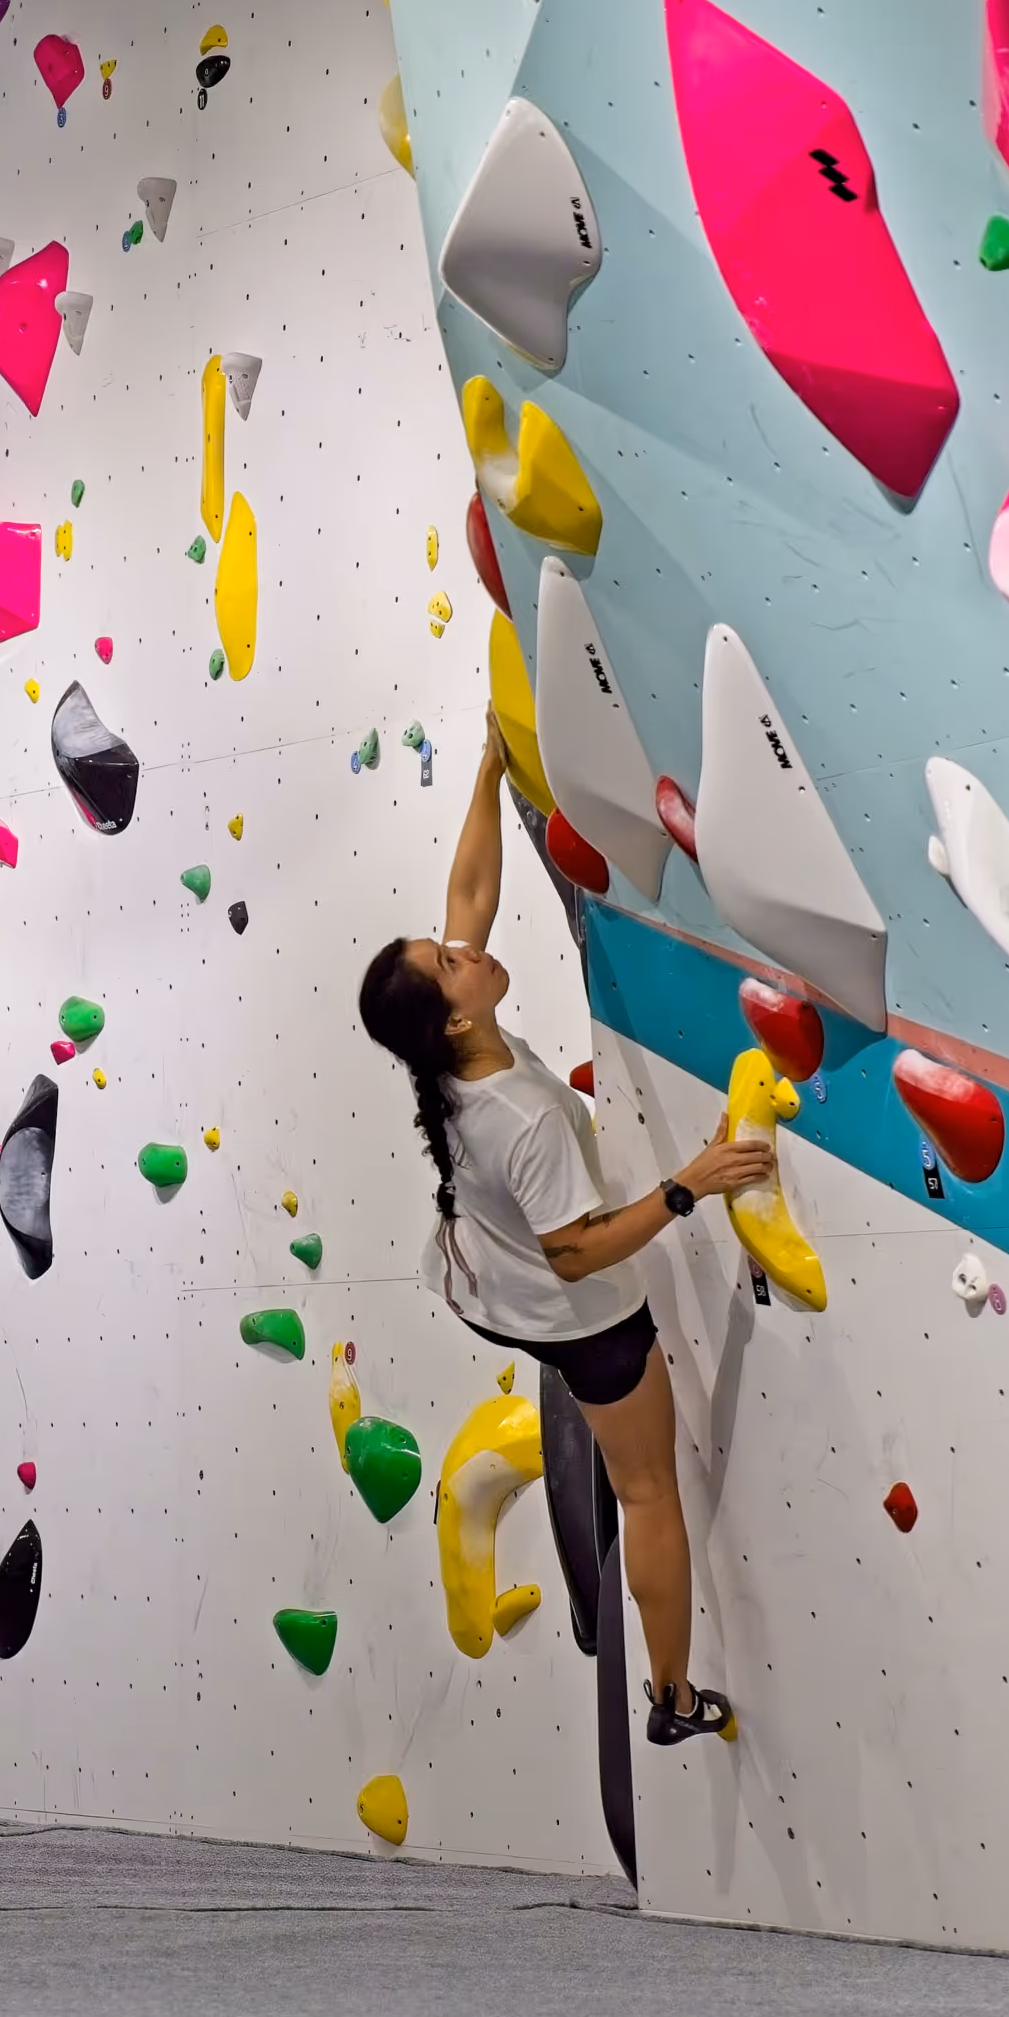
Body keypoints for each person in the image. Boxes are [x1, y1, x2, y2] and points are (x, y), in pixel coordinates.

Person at [356, 714, 775, 1748]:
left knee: (594, 1397)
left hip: (483, 1283)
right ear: (453, 1017)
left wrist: (489, 772)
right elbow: (577, 1251)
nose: (462, 947)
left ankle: (561, 1374)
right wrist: (692, 1182)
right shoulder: (525, 1118)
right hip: (570, 1310)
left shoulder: (449, 1054)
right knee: (647, 1491)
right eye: (448, 965)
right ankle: (673, 1700)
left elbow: (465, 897)